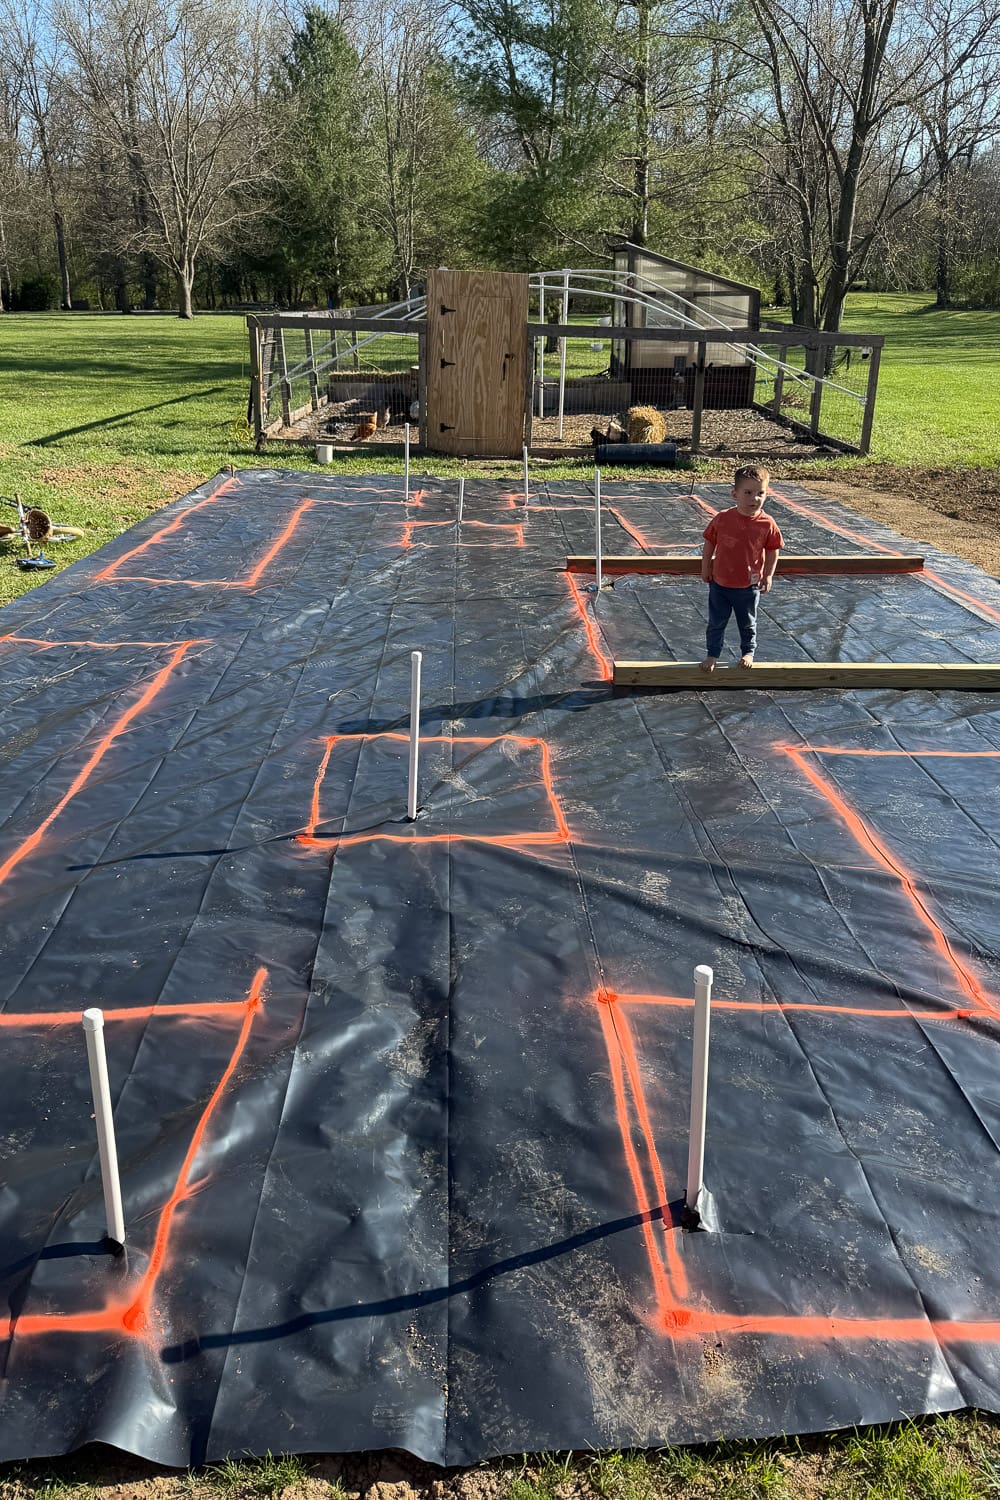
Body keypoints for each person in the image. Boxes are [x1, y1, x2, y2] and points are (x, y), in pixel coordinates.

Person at [700, 466, 783, 671]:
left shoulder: (767, 523)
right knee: (716, 622)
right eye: (748, 493)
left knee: (747, 623)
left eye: (760, 493)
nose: (754, 498)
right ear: (735, 494)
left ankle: (748, 652)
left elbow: (773, 550)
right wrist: (705, 567)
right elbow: (710, 542)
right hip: (720, 583)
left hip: (748, 586)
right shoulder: (723, 519)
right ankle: (712, 654)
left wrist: (768, 575)